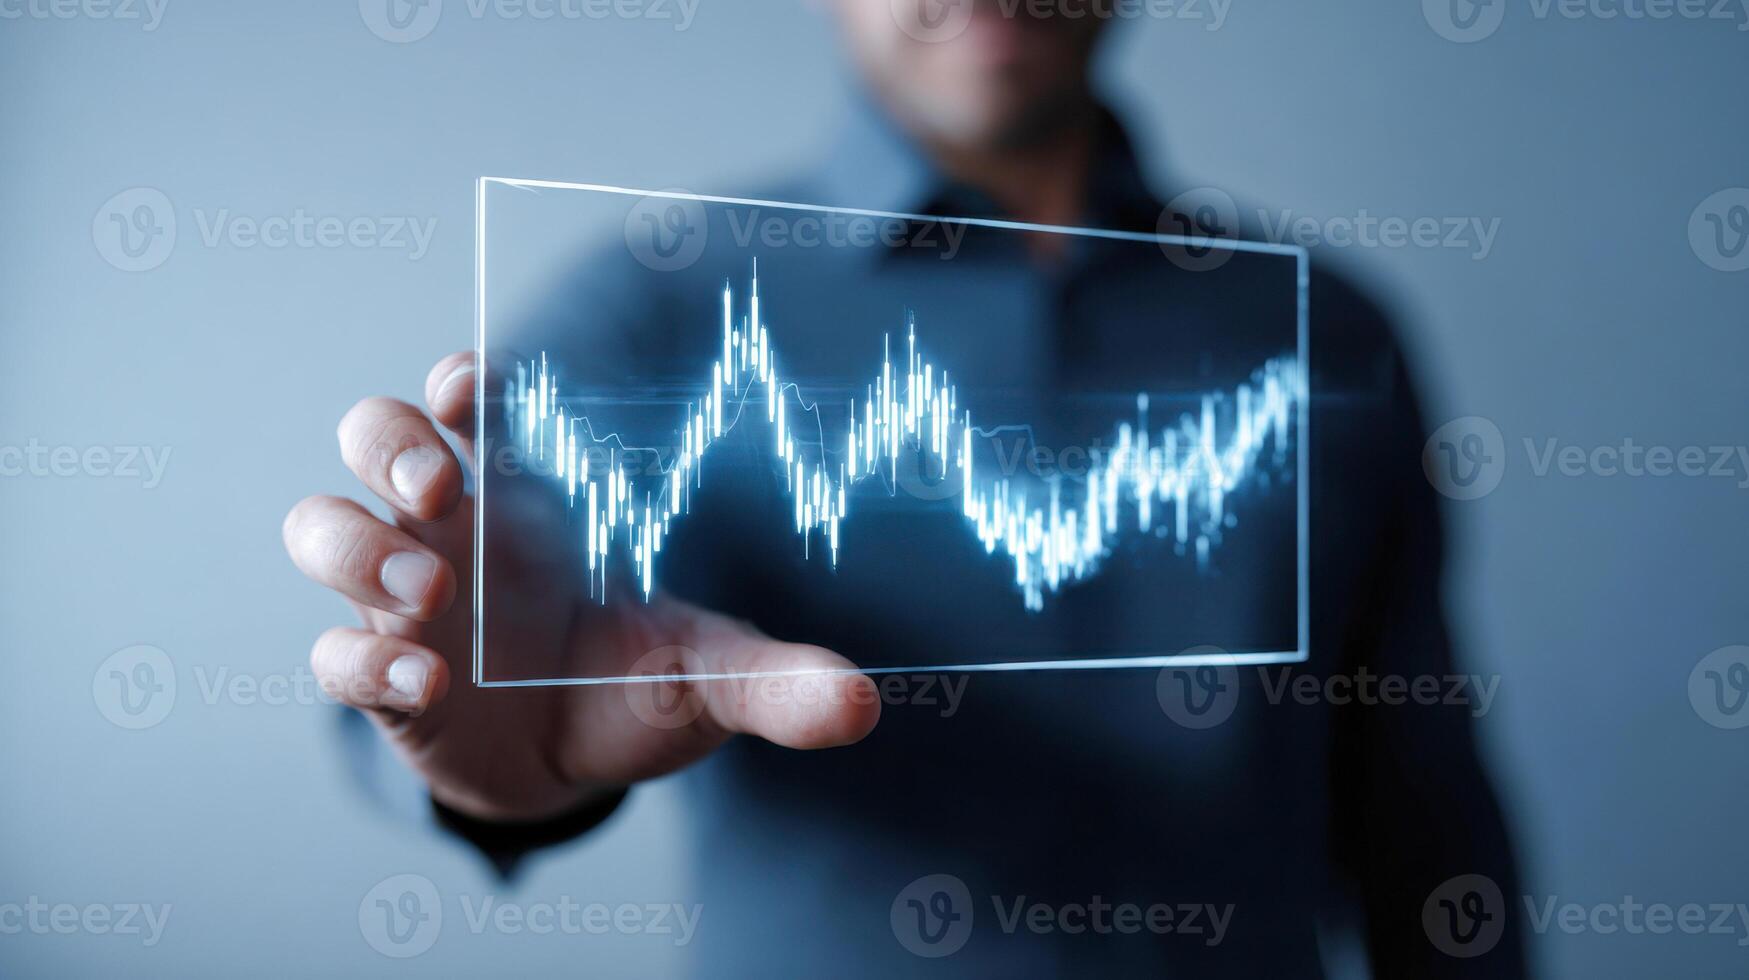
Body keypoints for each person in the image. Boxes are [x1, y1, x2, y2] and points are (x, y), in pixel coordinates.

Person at [282, 2, 1525, 973]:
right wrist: (489, 765)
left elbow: (1424, 812)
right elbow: (461, 661)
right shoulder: (660, 300)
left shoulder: (1327, 330)